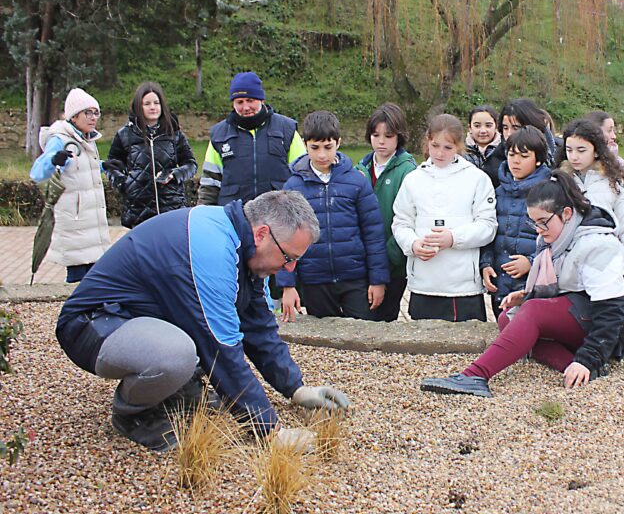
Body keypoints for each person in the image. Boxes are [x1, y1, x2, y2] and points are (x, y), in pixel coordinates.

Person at [55, 190, 350, 452]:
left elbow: (258, 327)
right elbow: (220, 349)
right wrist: (272, 432)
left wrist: (296, 389)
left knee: (192, 344)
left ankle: (175, 392)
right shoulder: (213, 249)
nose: (290, 267)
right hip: (92, 326)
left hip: (136, 319)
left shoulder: (242, 247)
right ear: (261, 234)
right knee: (178, 354)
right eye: (288, 257)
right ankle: (133, 413)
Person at [420, 171, 624, 398]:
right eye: (533, 222)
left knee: (531, 313)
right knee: (508, 317)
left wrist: (587, 359)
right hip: (588, 303)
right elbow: (568, 284)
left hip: (622, 320)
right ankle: (575, 366)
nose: (538, 230)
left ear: (567, 213)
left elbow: (612, 310)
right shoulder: (556, 235)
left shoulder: (597, 244)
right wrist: (527, 295)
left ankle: (475, 376)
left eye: (543, 222)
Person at [277, 111, 390, 322]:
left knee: (362, 335)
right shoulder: (293, 186)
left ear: (338, 143)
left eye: (328, 147)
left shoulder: (357, 181)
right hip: (314, 279)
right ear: (305, 144)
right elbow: (284, 238)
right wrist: (288, 285)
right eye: (315, 147)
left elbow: (373, 233)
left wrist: (378, 280)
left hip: (355, 277)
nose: (322, 155)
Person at [392, 114, 497, 321]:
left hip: (463, 285)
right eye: (435, 145)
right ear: (427, 141)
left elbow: (488, 226)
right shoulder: (413, 179)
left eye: (448, 148)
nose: (440, 153)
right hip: (424, 281)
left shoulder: (477, 179)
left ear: (459, 146)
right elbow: (401, 222)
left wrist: (453, 238)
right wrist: (413, 244)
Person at [30, 88, 111, 283]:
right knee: (78, 278)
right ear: (74, 117)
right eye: (88, 113)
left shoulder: (86, 139)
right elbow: (37, 172)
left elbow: (80, 167)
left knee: (93, 277)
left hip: (91, 221)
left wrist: (103, 166)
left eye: (96, 113)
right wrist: (53, 160)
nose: (93, 118)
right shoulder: (61, 139)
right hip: (75, 222)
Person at [197, 71, 305, 206]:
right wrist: (202, 213)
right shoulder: (219, 135)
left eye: (250, 100)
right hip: (233, 215)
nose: (245, 107)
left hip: (278, 215)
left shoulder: (287, 129)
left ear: (261, 100)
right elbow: (210, 184)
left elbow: (303, 176)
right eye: (239, 102)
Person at [103, 81, 197, 228]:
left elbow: (191, 164)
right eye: (147, 103)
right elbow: (111, 165)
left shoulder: (174, 133)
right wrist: (124, 184)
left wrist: (175, 174)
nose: (152, 107)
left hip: (172, 208)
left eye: (156, 103)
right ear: (138, 106)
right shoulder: (125, 135)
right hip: (138, 212)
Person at [480, 126, 552, 318]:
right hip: (500, 283)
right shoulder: (497, 191)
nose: (516, 161)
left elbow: (556, 241)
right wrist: (486, 264)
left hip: (532, 285)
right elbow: (489, 232)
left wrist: (531, 262)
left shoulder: (549, 192)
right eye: (511, 154)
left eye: (524, 155)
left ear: (538, 160)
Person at [356, 103, 418, 321]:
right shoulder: (359, 169)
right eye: (375, 135)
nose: (381, 141)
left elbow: (409, 218)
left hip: (393, 263)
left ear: (398, 136)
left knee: (384, 317)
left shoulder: (408, 171)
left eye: (388, 135)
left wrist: (389, 257)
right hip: (362, 260)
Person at [559, 118, 624, 268]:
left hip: (606, 268)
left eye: (581, 150)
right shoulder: (559, 181)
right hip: (567, 270)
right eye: (569, 150)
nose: (574, 156)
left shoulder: (618, 184)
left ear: (596, 151)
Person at [498, 98, 559, 166]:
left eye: (516, 128)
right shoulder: (495, 162)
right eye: (505, 128)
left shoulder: (561, 154)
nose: (509, 134)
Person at [463, 105, 504, 187]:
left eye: (488, 125)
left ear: (496, 126)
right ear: (470, 128)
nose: (483, 131)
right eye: (477, 126)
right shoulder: (460, 152)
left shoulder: (505, 150)